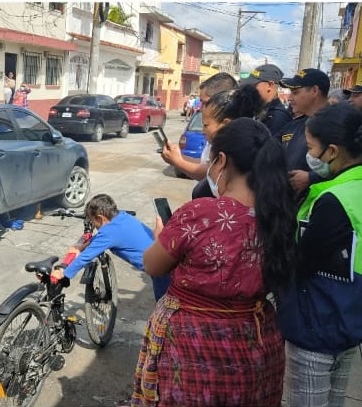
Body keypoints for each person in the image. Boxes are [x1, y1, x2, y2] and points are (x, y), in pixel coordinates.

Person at [132, 118, 298, 406]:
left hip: (194, 345)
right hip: (256, 342)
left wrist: (162, 237)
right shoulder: (281, 215)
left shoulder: (201, 213)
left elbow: (153, 265)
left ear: (221, 160)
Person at [277, 103, 362, 407]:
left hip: (318, 324)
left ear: (333, 151)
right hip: (350, 320)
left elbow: (301, 262)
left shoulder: (333, 200)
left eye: (312, 148)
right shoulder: (353, 188)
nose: (310, 156)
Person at [50, 194, 170, 301]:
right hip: (165, 259)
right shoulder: (122, 216)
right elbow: (104, 236)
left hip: (161, 271)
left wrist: (64, 273)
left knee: (164, 309)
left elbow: (85, 257)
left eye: (93, 222)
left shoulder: (109, 233)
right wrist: (82, 246)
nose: (94, 226)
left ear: (100, 218)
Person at [162, 84, 263, 198]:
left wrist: (178, 162)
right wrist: (177, 156)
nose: (203, 131)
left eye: (206, 125)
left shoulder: (238, 156)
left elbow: (206, 171)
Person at [279, 68, 330, 196]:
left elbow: (351, 167)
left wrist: (311, 178)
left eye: (295, 92)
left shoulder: (340, 125)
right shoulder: (292, 126)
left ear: (314, 91)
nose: (290, 98)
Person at [239, 63, 292, 137]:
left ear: (269, 85)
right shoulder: (263, 110)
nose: (250, 89)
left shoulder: (278, 117)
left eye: (254, 85)